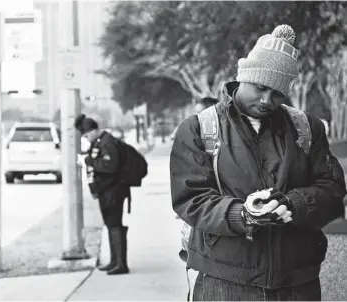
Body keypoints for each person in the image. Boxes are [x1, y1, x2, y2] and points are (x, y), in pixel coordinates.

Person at [170, 24, 346, 301]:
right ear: (243, 77)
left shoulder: (308, 128)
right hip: (224, 282)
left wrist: (294, 204)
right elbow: (190, 199)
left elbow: (333, 190)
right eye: (260, 88)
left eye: (277, 93)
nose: (267, 100)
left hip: (298, 283)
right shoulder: (198, 128)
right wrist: (243, 214)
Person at [74, 114, 130, 275]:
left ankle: (121, 263)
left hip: (114, 190)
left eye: (86, 135)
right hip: (106, 190)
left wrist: (88, 161)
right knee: (110, 225)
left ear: (92, 131)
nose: (86, 138)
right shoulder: (101, 141)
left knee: (115, 225)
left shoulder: (107, 142)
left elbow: (110, 166)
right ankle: (114, 261)